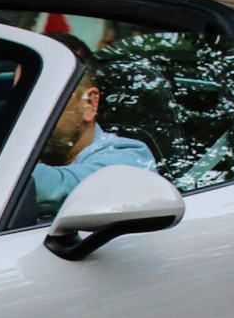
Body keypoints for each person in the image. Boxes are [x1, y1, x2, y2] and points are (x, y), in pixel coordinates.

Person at [32, 71, 158, 219]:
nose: (25, 112)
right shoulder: (30, 154)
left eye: (38, 99)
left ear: (88, 104)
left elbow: (56, 188)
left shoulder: (128, 156)